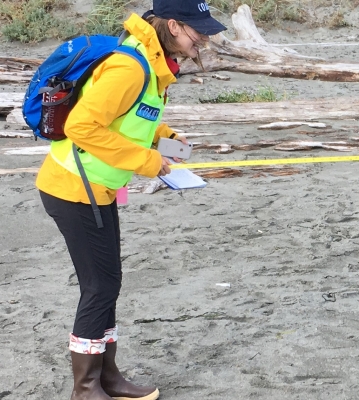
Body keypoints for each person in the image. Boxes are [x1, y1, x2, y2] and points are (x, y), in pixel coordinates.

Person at [35, 1, 225, 399]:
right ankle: (85, 388)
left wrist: (163, 137)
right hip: (73, 188)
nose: (204, 40)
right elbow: (81, 125)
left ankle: (108, 377)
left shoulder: (151, 65)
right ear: (174, 26)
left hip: (96, 189)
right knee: (99, 287)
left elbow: (132, 115)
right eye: (198, 31)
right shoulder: (130, 66)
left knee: (108, 284)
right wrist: (146, 161)